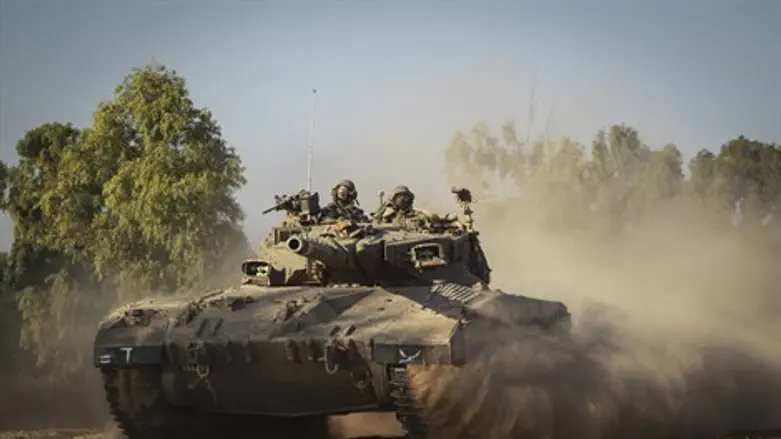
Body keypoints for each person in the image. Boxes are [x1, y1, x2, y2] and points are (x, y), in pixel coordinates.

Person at [373, 185, 437, 228]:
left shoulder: (417, 214)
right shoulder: (386, 213)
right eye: (400, 197)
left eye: (405, 197)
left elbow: (431, 218)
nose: (403, 200)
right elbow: (377, 222)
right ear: (393, 199)